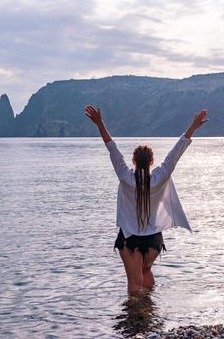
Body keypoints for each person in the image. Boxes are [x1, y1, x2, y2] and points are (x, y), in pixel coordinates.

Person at [84, 105, 208, 295]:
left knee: (134, 284)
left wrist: (100, 124)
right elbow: (176, 153)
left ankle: (137, 322)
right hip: (153, 241)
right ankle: (150, 312)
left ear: (133, 161)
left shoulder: (126, 177)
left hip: (130, 239)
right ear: (151, 162)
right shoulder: (160, 176)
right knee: (146, 271)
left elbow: (112, 148)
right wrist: (192, 127)